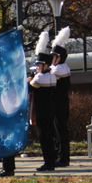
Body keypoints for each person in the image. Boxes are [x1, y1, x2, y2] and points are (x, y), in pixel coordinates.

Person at [29, 32, 58, 172]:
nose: (37, 68)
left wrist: (29, 79)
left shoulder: (40, 78)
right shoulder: (52, 76)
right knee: (49, 136)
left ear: (45, 65)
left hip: (42, 110)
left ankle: (48, 163)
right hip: (51, 109)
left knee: (44, 138)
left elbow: (29, 88)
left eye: (39, 65)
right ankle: (51, 161)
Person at [51, 27, 72, 167]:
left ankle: (63, 157)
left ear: (59, 57)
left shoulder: (60, 69)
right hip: (60, 102)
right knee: (59, 130)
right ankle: (60, 155)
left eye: (54, 57)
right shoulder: (61, 68)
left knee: (60, 131)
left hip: (59, 103)